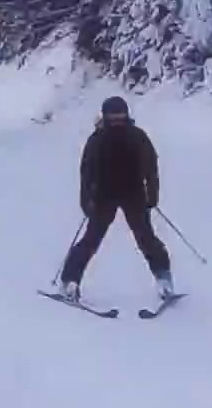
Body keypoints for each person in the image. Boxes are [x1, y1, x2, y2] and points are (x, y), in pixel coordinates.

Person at [58, 96, 173, 301]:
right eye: (113, 115)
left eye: (120, 114)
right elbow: (87, 172)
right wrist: (86, 200)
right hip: (104, 196)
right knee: (91, 240)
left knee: (146, 238)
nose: (117, 119)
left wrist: (152, 194)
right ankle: (70, 282)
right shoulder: (97, 139)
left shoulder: (137, 136)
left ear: (127, 114)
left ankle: (164, 280)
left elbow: (151, 167)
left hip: (134, 194)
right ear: (105, 116)